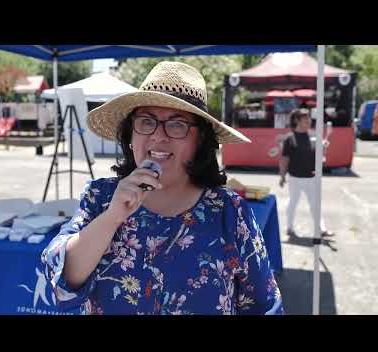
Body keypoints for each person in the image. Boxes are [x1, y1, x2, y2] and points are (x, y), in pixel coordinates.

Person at [41, 61, 284, 315]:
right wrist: (112, 217)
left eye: (177, 124)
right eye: (147, 121)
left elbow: (265, 305)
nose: (158, 135)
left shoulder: (229, 211)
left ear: (200, 141)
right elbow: (62, 281)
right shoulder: (100, 197)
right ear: (130, 137)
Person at [279, 108, 334, 238]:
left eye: (309, 119)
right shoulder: (290, 138)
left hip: (311, 177)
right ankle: (289, 227)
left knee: (315, 204)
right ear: (297, 121)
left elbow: (319, 156)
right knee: (293, 202)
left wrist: (323, 147)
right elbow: (285, 159)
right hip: (295, 178)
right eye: (305, 120)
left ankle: (321, 229)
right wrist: (282, 176)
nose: (308, 122)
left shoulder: (313, 136)